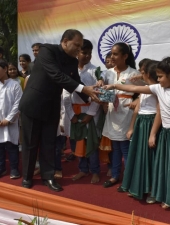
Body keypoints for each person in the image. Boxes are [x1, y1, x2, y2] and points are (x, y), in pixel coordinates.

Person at [104, 57, 170, 214]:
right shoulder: (159, 89)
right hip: (167, 136)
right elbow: (135, 89)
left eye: (160, 76)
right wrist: (114, 85)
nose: (158, 80)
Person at [18, 29, 100, 191]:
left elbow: (75, 80)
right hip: (33, 104)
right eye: (76, 45)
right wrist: (85, 90)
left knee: (49, 143)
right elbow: (56, 75)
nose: (79, 49)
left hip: (52, 106)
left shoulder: (72, 60)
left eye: (80, 46)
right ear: (65, 42)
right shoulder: (47, 51)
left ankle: (48, 177)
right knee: (30, 143)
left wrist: (92, 97)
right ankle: (27, 176)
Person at [117, 60, 159, 202]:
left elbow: (159, 111)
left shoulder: (157, 88)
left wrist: (153, 133)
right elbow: (137, 108)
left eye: (142, 72)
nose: (140, 74)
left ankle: (153, 190)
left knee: (151, 158)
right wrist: (131, 127)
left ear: (148, 74)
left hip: (152, 123)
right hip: (141, 123)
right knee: (139, 156)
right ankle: (137, 186)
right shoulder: (146, 87)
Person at [101, 42, 139, 188]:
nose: (112, 57)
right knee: (115, 146)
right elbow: (102, 85)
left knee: (125, 147)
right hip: (112, 111)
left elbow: (146, 89)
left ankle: (129, 179)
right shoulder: (108, 73)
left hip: (126, 111)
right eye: (111, 54)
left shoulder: (133, 73)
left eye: (116, 54)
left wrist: (137, 100)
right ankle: (115, 175)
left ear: (125, 56)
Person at [63, 39, 101, 184]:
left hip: (90, 112)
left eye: (89, 53)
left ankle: (95, 171)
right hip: (74, 112)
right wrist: (71, 115)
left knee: (91, 143)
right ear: (77, 53)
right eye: (84, 53)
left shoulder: (94, 71)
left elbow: (97, 95)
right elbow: (66, 95)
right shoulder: (69, 70)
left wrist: (91, 115)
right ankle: (82, 169)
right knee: (78, 143)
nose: (87, 56)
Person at [0, 59, 22, 179]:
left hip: (10, 123)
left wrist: (9, 119)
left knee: (12, 146)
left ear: (5, 68)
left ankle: (14, 169)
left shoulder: (15, 85)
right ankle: (0, 168)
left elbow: (18, 103)